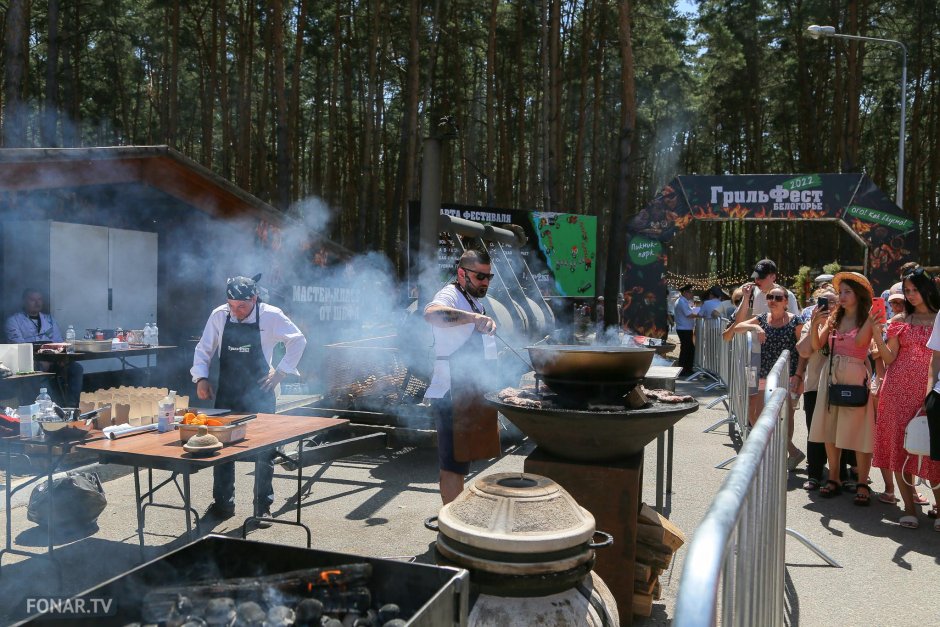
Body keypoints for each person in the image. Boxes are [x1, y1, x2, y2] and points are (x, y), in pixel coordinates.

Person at [191, 274, 307, 525]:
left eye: (242, 306)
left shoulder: (271, 315)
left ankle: (262, 507)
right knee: (221, 449)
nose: (236, 311)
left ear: (254, 298)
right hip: (227, 392)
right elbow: (204, 348)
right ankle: (223, 505)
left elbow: (298, 340)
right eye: (231, 305)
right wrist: (200, 378)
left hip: (260, 392)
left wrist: (281, 372)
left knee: (265, 451)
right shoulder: (219, 315)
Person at [423, 249, 500, 504]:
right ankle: (451, 527)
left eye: (489, 277)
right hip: (449, 390)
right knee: (453, 464)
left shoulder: (473, 298)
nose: (485, 282)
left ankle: (457, 517)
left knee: (464, 457)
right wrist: (473, 317)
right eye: (480, 277)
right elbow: (432, 313)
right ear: (461, 273)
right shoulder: (450, 294)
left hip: (468, 389)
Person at [871, 267, 940, 529]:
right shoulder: (900, 320)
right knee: (900, 448)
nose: (911, 295)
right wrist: (878, 332)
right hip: (896, 390)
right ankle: (909, 508)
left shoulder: (939, 319)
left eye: (915, 289)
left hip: (931, 390)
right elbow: (889, 359)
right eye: (907, 290)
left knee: (932, 449)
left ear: (927, 289)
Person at [808, 272, 877, 504]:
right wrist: (816, 323)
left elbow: (860, 344)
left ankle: (862, 482)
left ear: (859, 295)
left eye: (847, 292)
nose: (842, 296)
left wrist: (868, 320)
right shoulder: (833, 318)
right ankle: (834, 477)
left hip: (855, 373)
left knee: (860, 430)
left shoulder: (867, 318)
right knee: (830, 428)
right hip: (831, 374)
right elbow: (818, 346)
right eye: (840, 292)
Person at [723, 284, 805, 466]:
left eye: (777, 298)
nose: (772, 301)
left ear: (786, 302)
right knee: (755, 413)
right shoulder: (761, 319)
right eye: (770, 297)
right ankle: (792, 451)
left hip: (788, 375)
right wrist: (756, 329)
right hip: (763, 374)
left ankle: (782, 455)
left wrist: (799, 375)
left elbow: (803, 351)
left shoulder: (795, 322)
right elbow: (737, 327)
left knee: (786, 416)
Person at [5, 288, 83, 406]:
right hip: (30, 363)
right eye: (32, 300)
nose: (37, 303)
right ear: (24, 301)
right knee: (40, 370)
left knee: (76, 368)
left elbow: (58, 342)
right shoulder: (13, 321)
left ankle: (73, 406)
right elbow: (19, 346)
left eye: (39, 299)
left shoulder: (49, 319)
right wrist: (41, 360)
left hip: (52, 361)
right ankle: (53, 407)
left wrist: (60, 359)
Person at [795, 288, 838, 489]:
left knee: (840, 429)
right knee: (815, 429)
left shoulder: (845, 324)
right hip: (814, 385)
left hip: (840, 383)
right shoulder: (810, 324)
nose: (828, 306)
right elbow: (803, 351)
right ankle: (814, 472)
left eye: (832, 302)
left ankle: (842, 473)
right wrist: (814, 325)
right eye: (824, 302)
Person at [734, 259, 800, 322]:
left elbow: (795, 323)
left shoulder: (787, 296)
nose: (757, 280)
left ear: (773, 277)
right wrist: (745, 298)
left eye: (761, 277)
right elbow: (738, 321)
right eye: (755, 277)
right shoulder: (750, 293)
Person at [674, 284, 697, 376]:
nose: (691, 294)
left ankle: (687, 368)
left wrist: (696, 310)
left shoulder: (684, 301)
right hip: (684, 328)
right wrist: (700, 313)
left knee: (689, 348)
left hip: (686, 328)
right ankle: (683, 369)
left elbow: (690, 312)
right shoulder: (681, 302)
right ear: (684, 292)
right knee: (686, 349)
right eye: (689, 292)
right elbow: (689, 314)